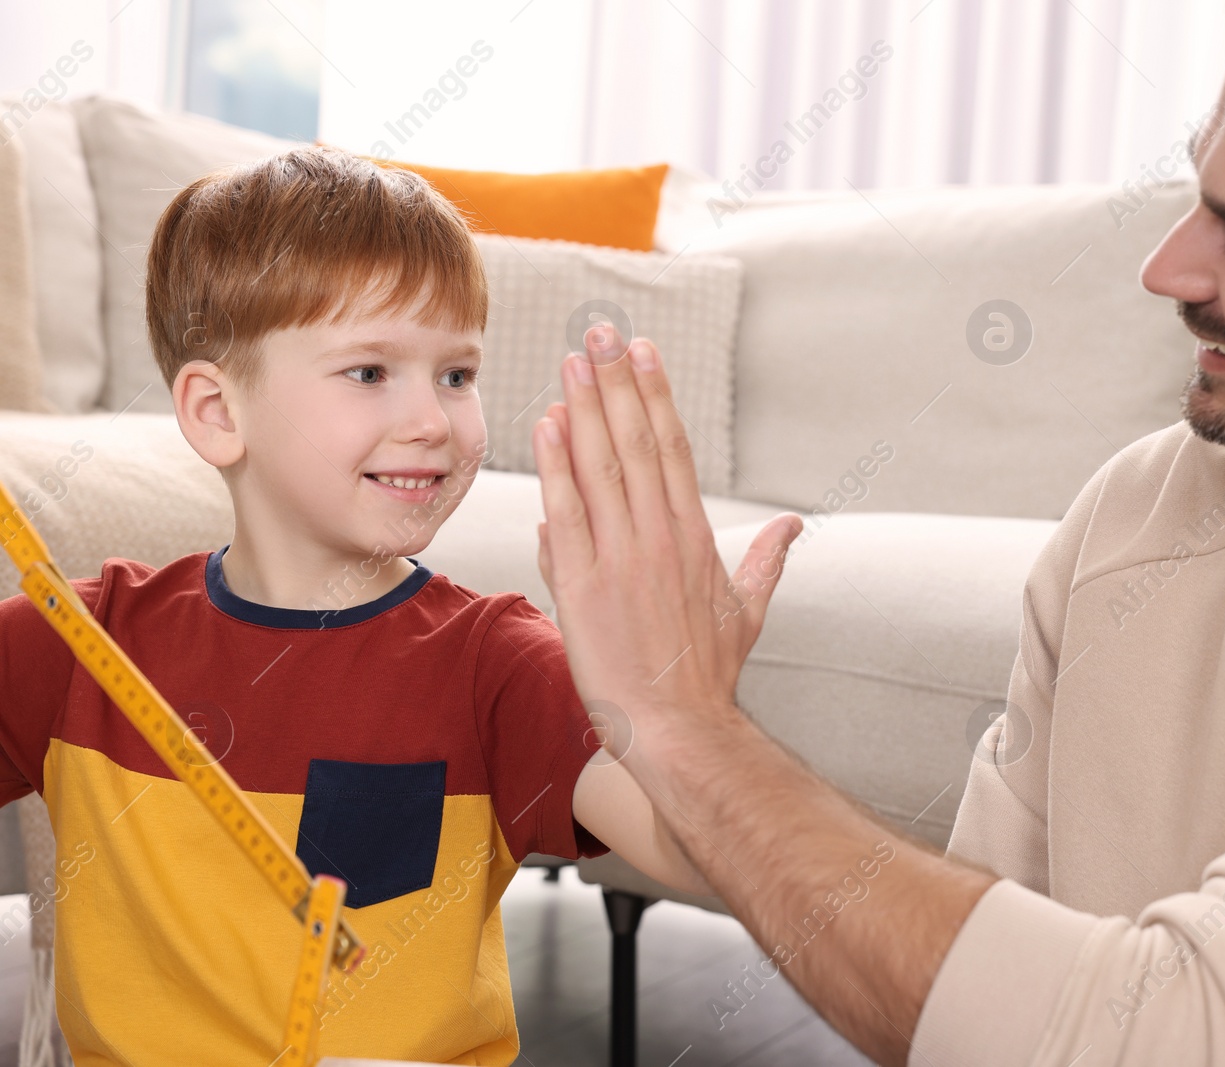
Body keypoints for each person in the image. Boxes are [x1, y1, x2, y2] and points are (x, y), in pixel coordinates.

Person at [530, 1, 1225, 1064]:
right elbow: (983, 1006)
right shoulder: (1145, 507)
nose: (1168, 270)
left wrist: (688, 731)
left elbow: (1183, 1039)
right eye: (1199, 200)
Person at [0, 146, 712, 1064]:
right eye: (371, 371)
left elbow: (690, 848)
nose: (433, 419)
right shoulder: (83, 647)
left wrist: (691, 714)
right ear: (218, 412)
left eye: (457, 374)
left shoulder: (495, 662)